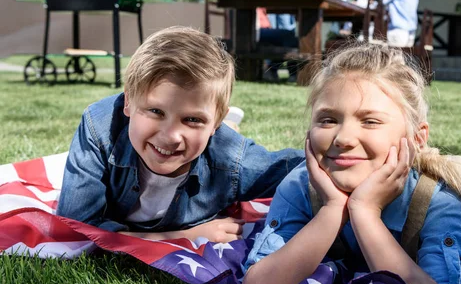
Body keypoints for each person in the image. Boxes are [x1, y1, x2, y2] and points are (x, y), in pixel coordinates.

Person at [242, 43, 461, 284]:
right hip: (413, 162)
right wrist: (332, 211)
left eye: (370, 121)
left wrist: (366, 213)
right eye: (328, 119)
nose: (342, 138)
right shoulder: (303, 184)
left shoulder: (444, 201)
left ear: (416, 137)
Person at [56, 26, 304, 243]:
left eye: (192, 119)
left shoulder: (231, 159)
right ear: (128, 101)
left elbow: (302, 168)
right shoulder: (99, 128)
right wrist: (186, 236)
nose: (171, 135)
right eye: (155, 111)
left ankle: (226, 123)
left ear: (215, 121)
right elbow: (76, 231)